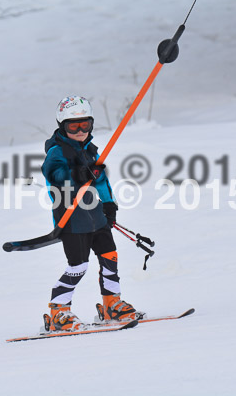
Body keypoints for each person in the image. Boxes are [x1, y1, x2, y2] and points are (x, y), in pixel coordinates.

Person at [41, 95, 141, 332]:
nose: (79, 131)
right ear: (61, 126)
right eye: (73, 126)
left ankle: (111, 304)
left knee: (110, 257)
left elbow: (102, 181)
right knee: (78, 266)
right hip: (71, 218)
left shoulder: (91, 150)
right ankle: (58, 313)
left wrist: (108, 205)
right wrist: (77, 175)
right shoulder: (57, 152)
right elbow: (54, 175)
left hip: (95, 215)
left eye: (85, 125)